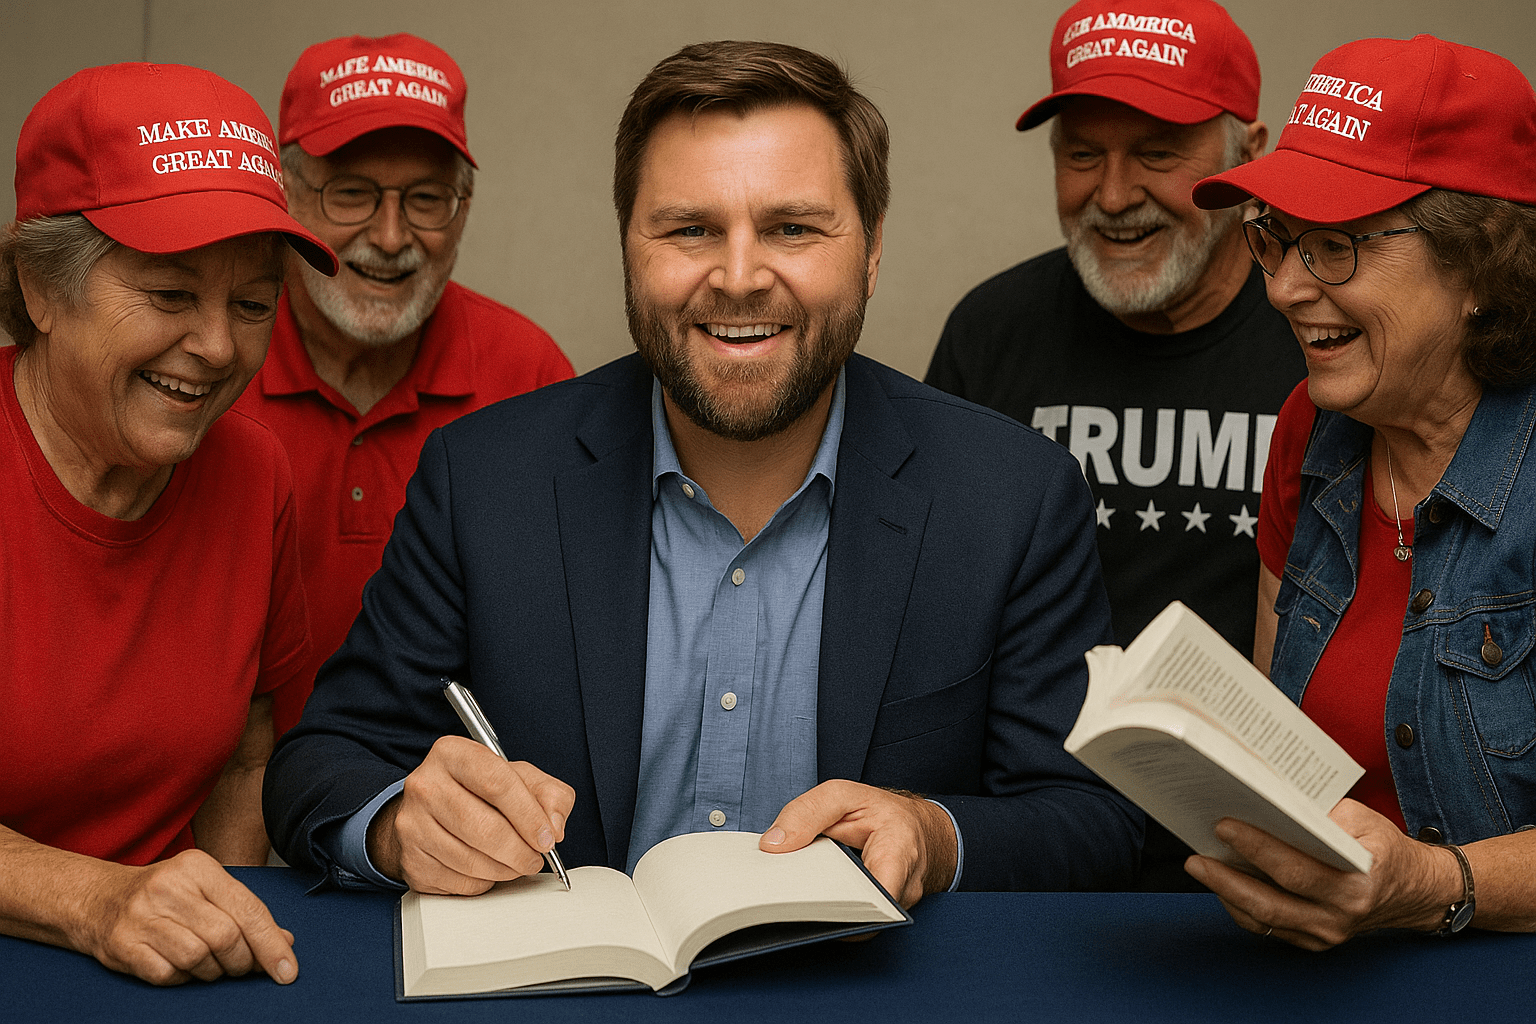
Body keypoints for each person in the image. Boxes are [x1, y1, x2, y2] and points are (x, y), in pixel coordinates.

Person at [264, 40, 1143, 905]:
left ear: (871, 248)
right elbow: (322, 759)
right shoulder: (484, 480)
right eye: (689, 229)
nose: (737, 276)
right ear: (627, 245)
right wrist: (394, 825)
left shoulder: (1012, 497)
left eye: (792, 228)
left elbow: (1092, 818)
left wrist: (939, 835)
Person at [926, 0, 1303, 892]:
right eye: (1082, 154)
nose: (1115, 194)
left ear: (1251, 152)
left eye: (1159, 155)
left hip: (1256, 863)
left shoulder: (1319, 338)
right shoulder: (992, 332)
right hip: (1023, 855)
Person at [1187, 34, 1536, 948]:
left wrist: (1432, 885)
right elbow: (1274, 744)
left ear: (1481, 265)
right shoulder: (1313, 429)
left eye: (1336, 246)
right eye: (1277, 238)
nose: (1287, 288)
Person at [0, 63, 338, 984]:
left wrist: (229, 929)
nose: (221, 347)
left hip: (165, 968)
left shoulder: (252, 471)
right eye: (170, 294)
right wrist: (96, 900)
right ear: (40, 287)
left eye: (254, 303)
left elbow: (242, 760)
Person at [234, 34, 574, 736]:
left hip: (436, 819)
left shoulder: (526, 374)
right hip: (229, 813)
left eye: (425, 199)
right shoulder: (212, 362)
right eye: (351, 193)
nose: (390, 238)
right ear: (286, 194)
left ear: (464, 208)